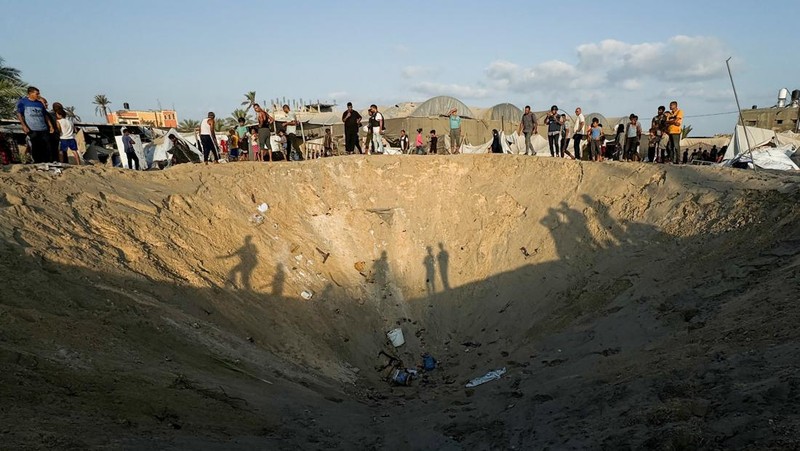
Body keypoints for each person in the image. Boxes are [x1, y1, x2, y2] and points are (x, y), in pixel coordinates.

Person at [16, 86, 56, 163]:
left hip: (43, 128)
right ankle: (37, 161)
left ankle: (48, 161)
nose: (38, 95)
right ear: (30, 93)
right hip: (32, 129)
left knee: (47, 145)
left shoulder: (40, 103)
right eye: (36, 94)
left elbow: (45, 115)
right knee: (35, 146)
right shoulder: (23, 102)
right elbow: (19, 114)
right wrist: (24, 126)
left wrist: (50, 125)